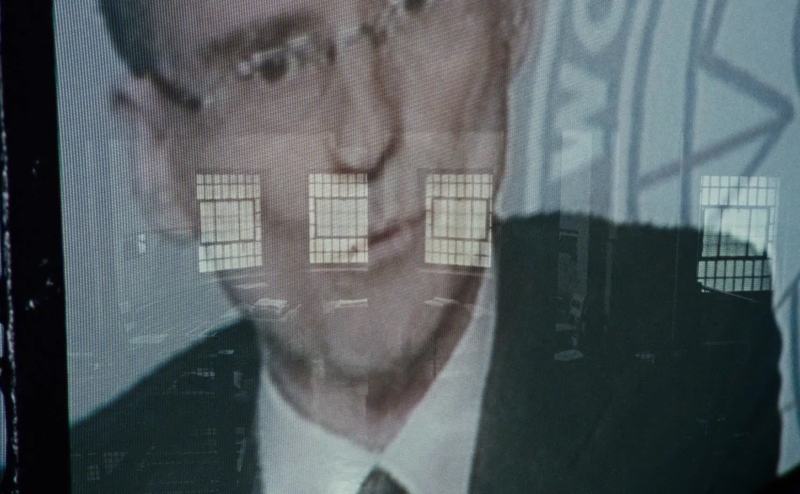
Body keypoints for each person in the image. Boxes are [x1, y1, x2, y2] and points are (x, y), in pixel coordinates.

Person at [70, 1, 782, 493]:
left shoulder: (696, 343)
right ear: (161, 161)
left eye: (412, 7)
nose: (369, 135)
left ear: (513, 20)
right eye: (275, 67)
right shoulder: (90, 474)